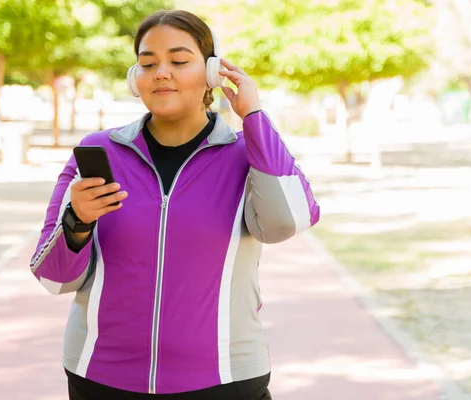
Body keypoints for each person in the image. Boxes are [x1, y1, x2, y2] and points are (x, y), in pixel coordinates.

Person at [30, 9, 320, 400]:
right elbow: (53, 278)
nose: (161, 72)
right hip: (102, 378)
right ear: (136, 78)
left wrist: (253, 116)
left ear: (212, 74)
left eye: (179, 61)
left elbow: (289, 220)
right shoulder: (98, 152)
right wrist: (77, 221)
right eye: (148, 63)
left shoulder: (247, 154)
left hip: (225, 380)